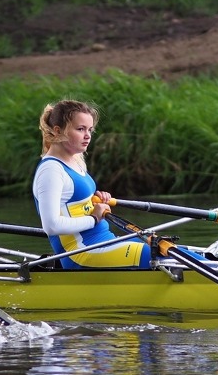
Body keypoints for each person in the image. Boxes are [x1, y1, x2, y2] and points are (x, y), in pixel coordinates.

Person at [32, 99, 151, 269]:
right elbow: (51, 226)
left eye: (90, 129)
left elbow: (75, 203)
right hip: (80, 253)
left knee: (166, 247)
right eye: (80, 129)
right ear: (58, 131)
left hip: (105, 241)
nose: (88, 135)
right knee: (157, 255)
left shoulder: (75, 160)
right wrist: (94, 218)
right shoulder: (51, 170)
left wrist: (96, 199)